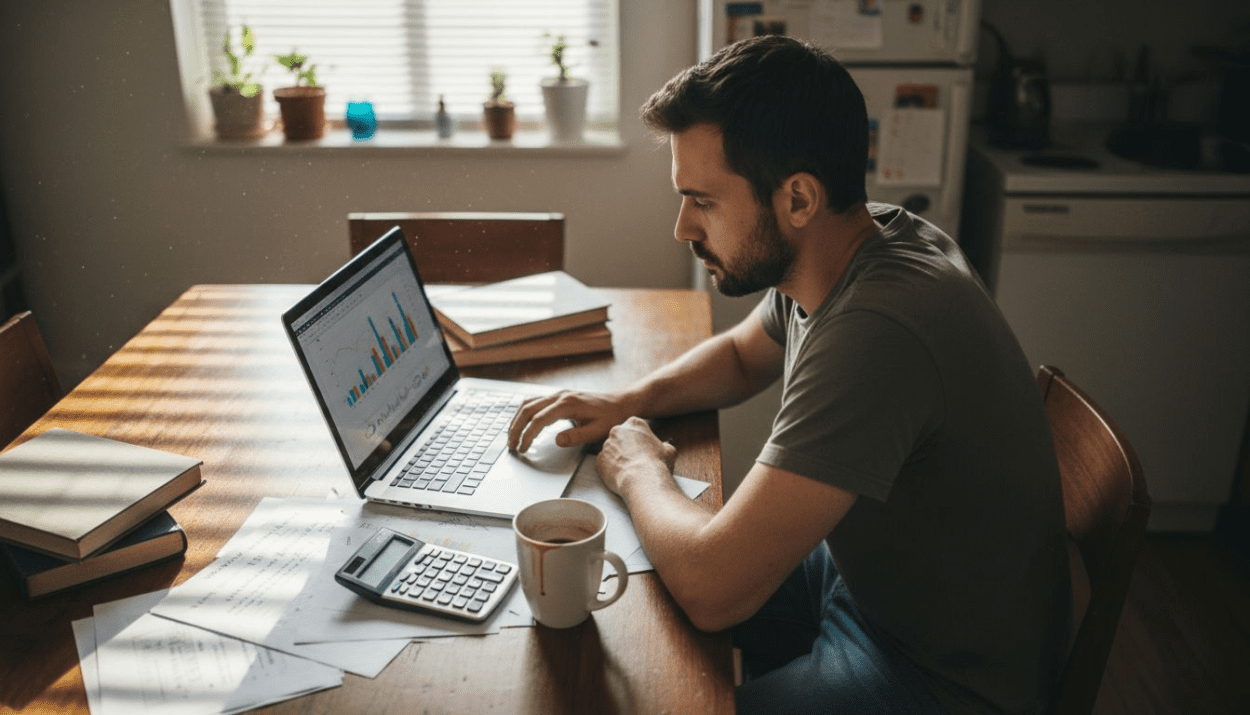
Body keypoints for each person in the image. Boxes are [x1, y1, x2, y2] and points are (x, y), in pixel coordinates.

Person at [508, 35, 1072, 715]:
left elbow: (716, 590)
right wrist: (627, 400)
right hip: (867, 584)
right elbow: (746, 355)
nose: (682, 227)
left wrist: (637, 469)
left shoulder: (880, 331)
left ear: (797, 199)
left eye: (703, 201)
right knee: (645, 595)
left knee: (668, 639)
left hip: (938, 676)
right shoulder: (859, 243)